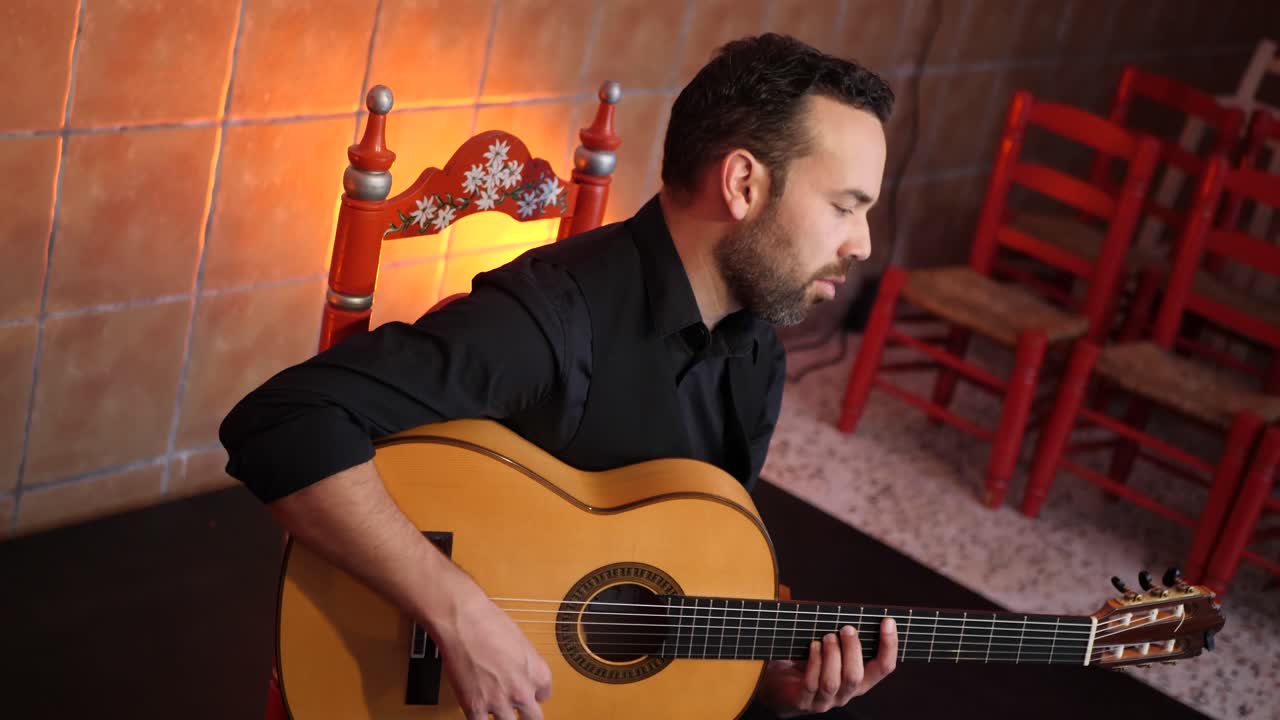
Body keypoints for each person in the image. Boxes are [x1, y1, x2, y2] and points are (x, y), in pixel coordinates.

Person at [220, 32, 895, 720]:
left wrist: (766, 690)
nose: (862, 244)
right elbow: (279, 422)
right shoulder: (551, 321)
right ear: (743, 183)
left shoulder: (756, 356)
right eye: (845, 207)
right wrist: (457, 612)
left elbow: (679, 579)